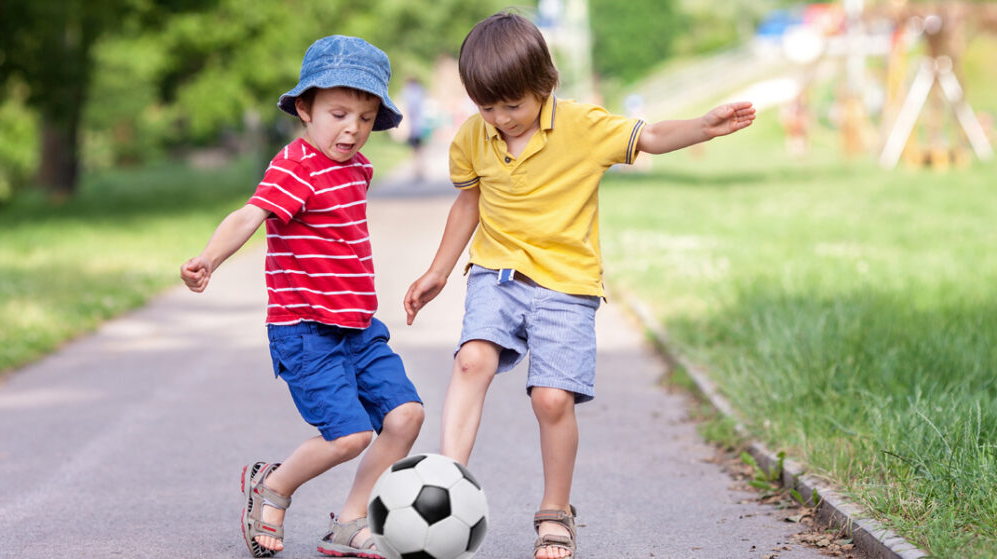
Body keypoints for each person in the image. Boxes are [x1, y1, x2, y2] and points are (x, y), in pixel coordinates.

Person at [402, 12, 755, 559]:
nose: (500, 119)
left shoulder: (582, 125)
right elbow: (468, 203)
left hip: (567, 285)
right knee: (471, 361)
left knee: (551, 399)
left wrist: (702, 127)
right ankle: (446, 488)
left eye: (512, 105)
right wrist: (439, 271)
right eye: (487, 107)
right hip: (497, 272)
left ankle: (555, 511)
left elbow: (650, 136)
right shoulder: (474, 135)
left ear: (545, 84)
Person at [180, 35, 424, 559]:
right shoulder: (295, 166)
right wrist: (209, 259)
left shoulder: (358, 169)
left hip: (359, 326)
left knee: (406, 416)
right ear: (306, 110)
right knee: (349, 436)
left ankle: (352, 520)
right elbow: (250, 215)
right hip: (307, 329)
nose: (352, 128)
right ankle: (273, 488)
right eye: (338, 114)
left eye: (365, 117)